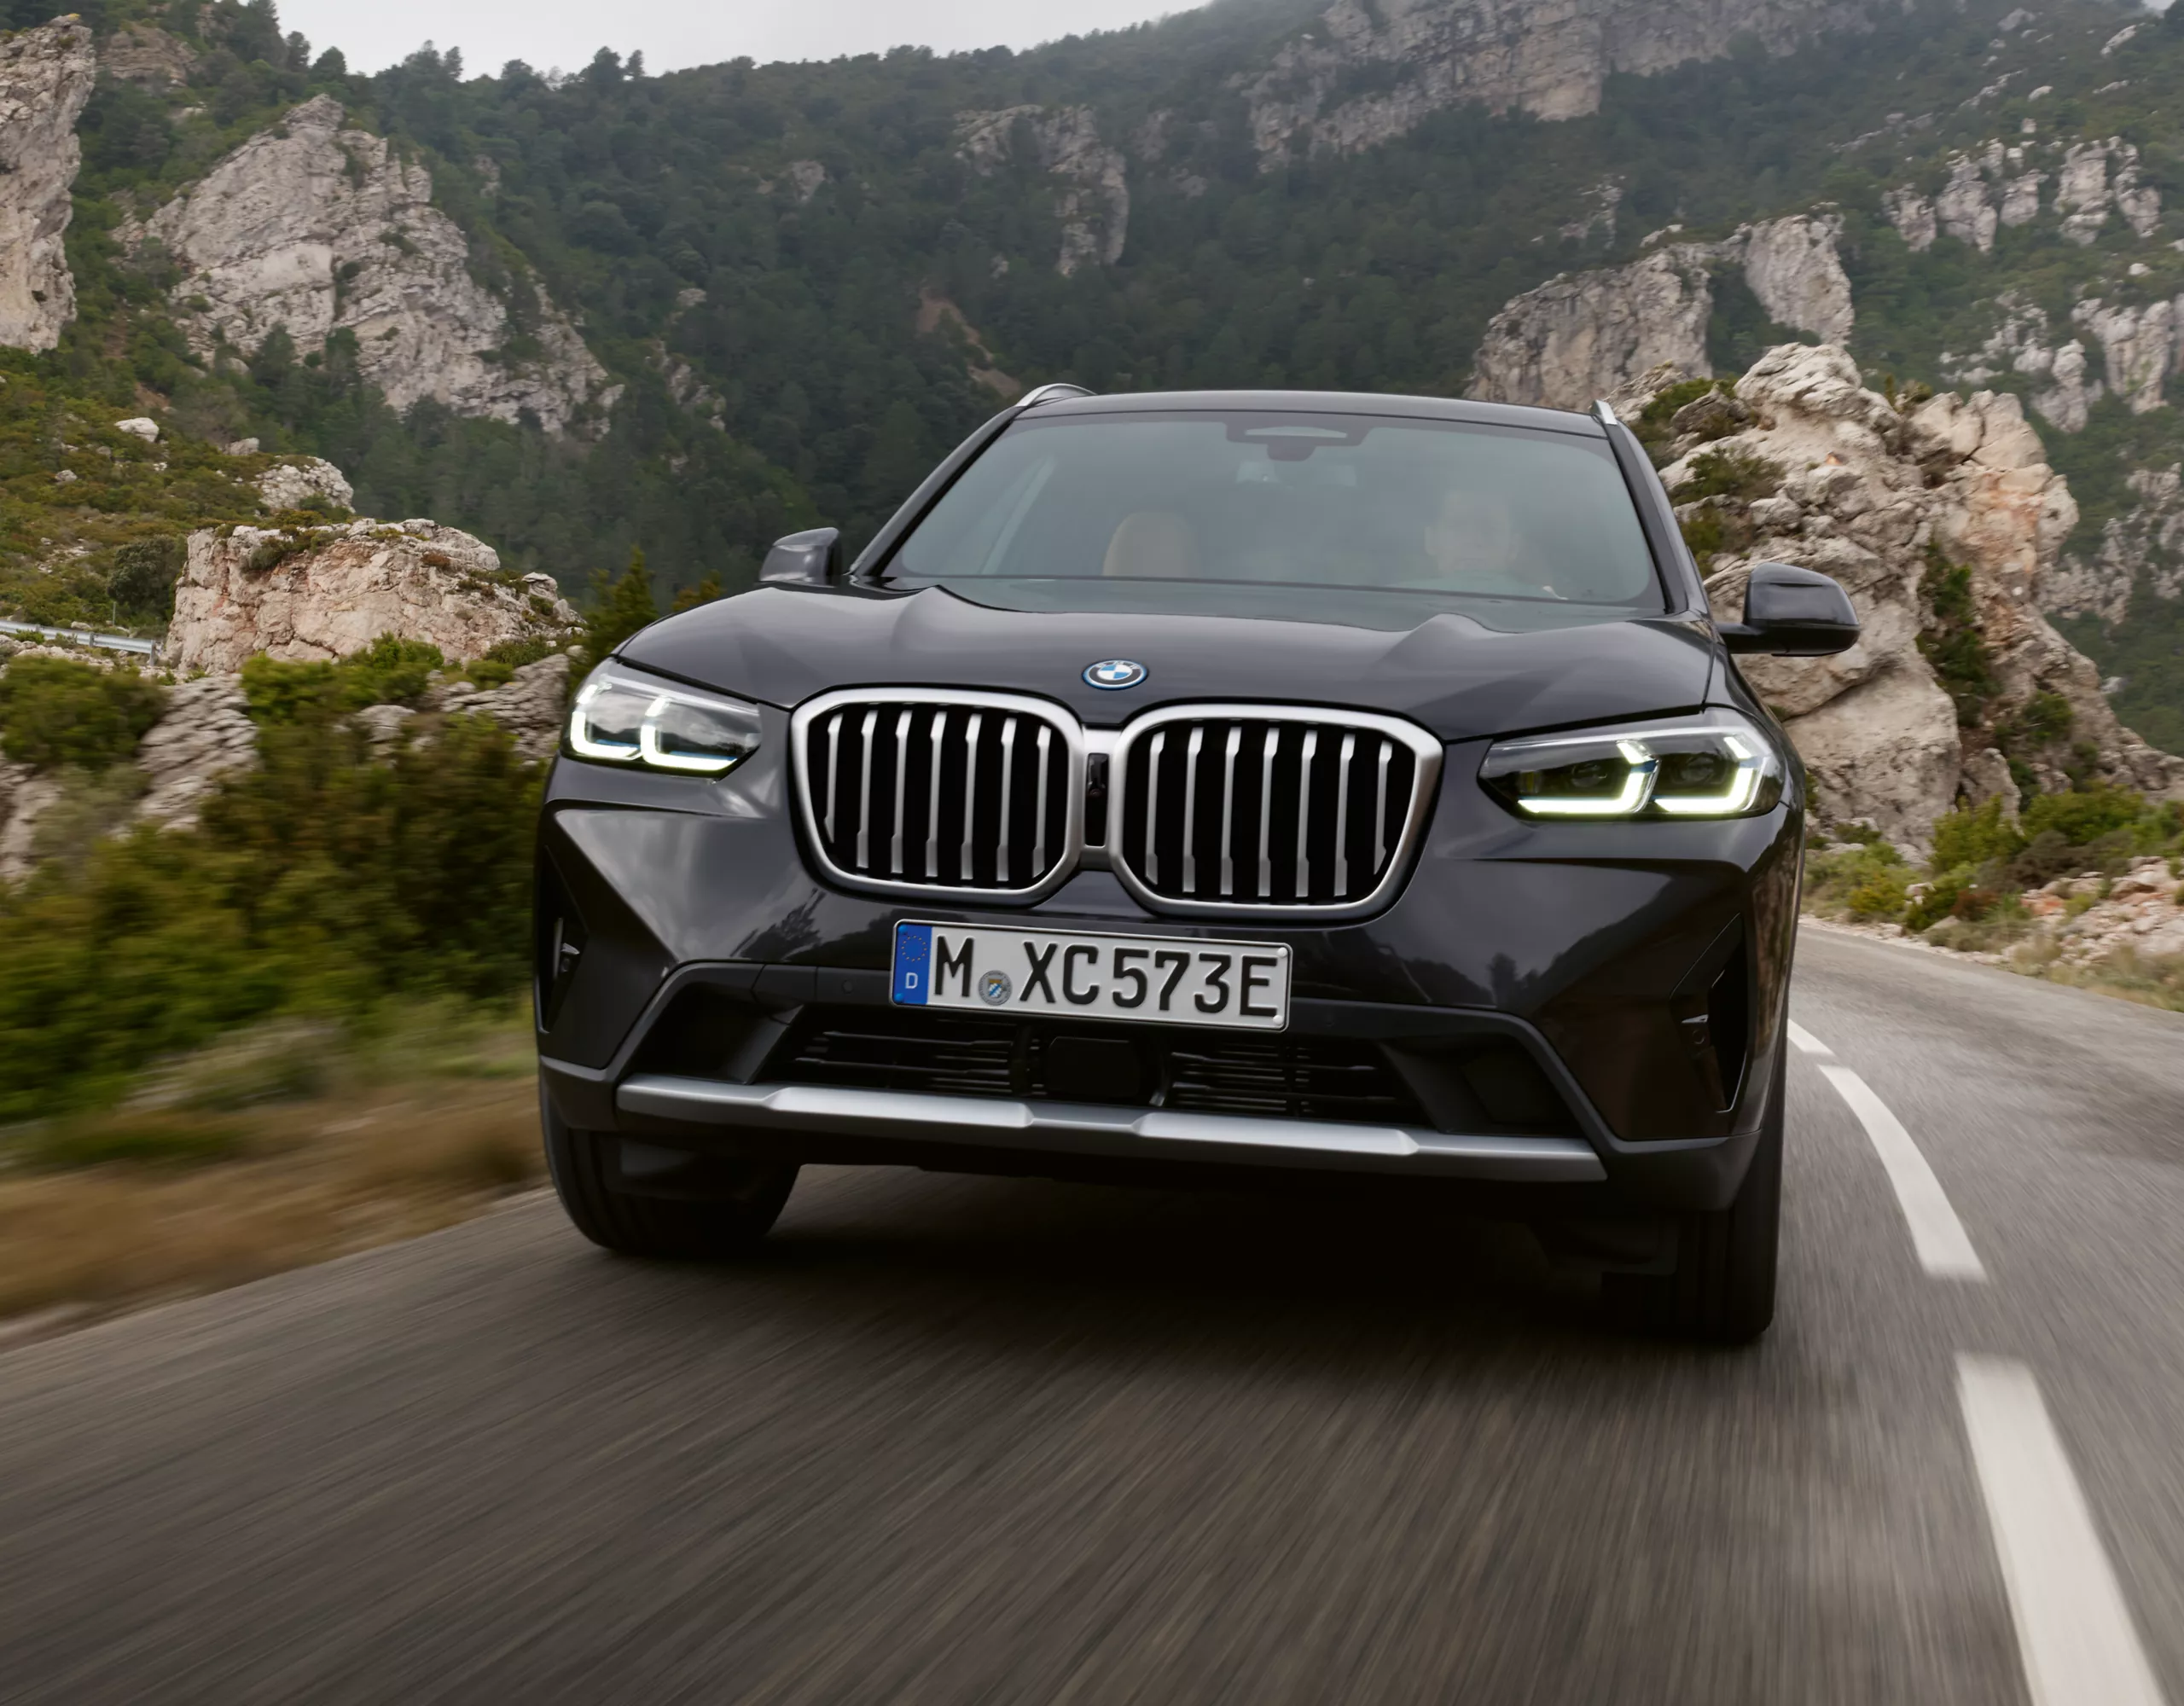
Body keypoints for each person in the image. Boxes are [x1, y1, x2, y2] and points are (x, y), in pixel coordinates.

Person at [1420, 485, 1562, 598]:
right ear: (1431, 540)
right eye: (1458, 526)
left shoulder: (1549, 611)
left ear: (1513, 547)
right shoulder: (1399, 607)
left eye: (1490, 528)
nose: (1474, 540)